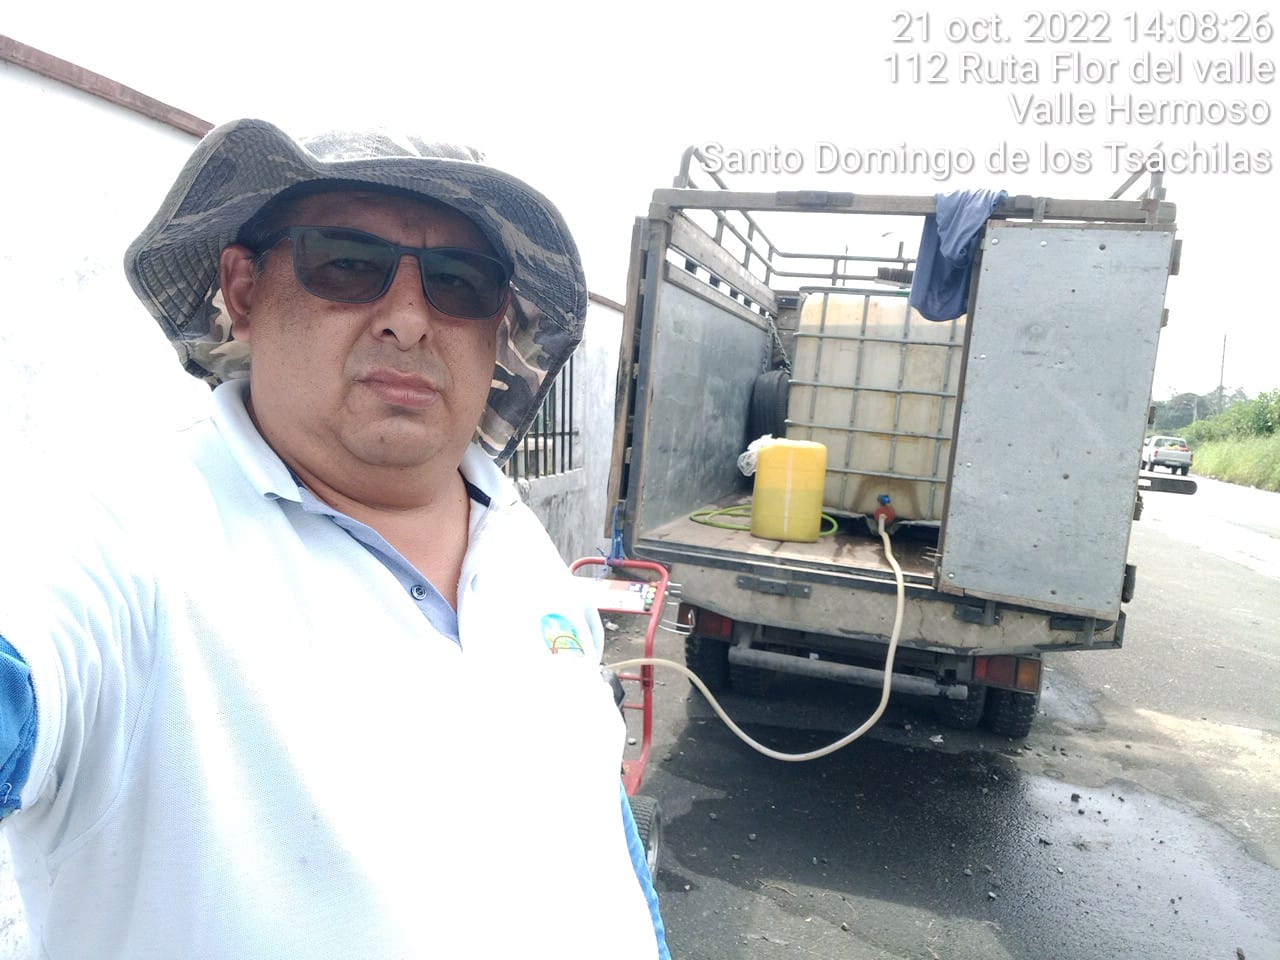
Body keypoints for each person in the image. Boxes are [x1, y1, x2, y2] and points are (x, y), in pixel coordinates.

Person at [0, 119, 669, 959]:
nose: (409, 320)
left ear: (496, 325)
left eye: (458, 281)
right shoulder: (129, 537)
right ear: (244, 290)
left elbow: (597, 832)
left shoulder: (516, 536)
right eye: (348, 263)